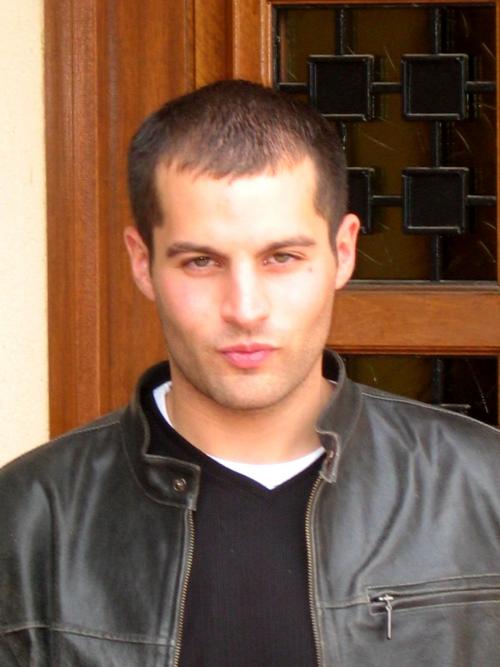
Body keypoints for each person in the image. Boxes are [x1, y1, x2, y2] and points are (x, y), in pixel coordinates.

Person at [1, 80, 499, 667]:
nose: (244, 308)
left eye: (281, 258)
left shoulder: (483, 489)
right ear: (142, 262)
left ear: (343, 252)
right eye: (201, 261)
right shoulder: (26, 521)